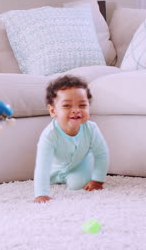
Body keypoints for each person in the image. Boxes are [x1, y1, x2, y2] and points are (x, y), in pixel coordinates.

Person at [33, 75, 109, 203]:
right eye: (67, 106)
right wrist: (41, 194)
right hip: (55, 168)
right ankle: (59, 178)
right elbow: (42, 166)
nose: (76, 110)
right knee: (48, 177)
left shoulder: (91, 129)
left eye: (82, 105)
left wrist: (98, 180)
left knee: (76, 184)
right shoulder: (49, 135)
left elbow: (102, 154)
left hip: (80, 165)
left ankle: (77, 176)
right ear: (53, 111)